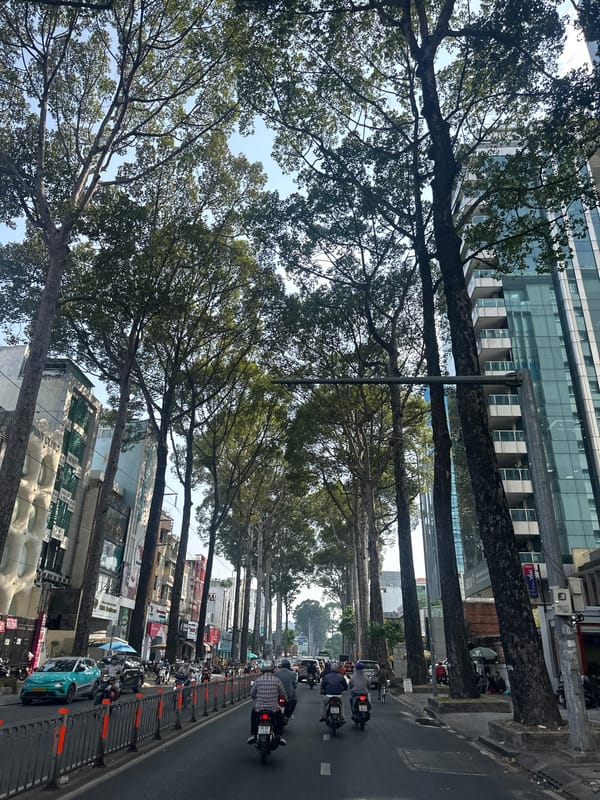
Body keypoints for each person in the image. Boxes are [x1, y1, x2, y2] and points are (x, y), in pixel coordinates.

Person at [247, 660, 287, 745]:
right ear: (272, 669)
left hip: (259, 709)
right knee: (279, 718)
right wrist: (284, 698)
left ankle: (253, 734)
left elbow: (252, 694)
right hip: (273, 709)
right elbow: (283, 694)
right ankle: (279, 736)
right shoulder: (277, 681)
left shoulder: (258, 680)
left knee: (253, 716)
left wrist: (254, 697)